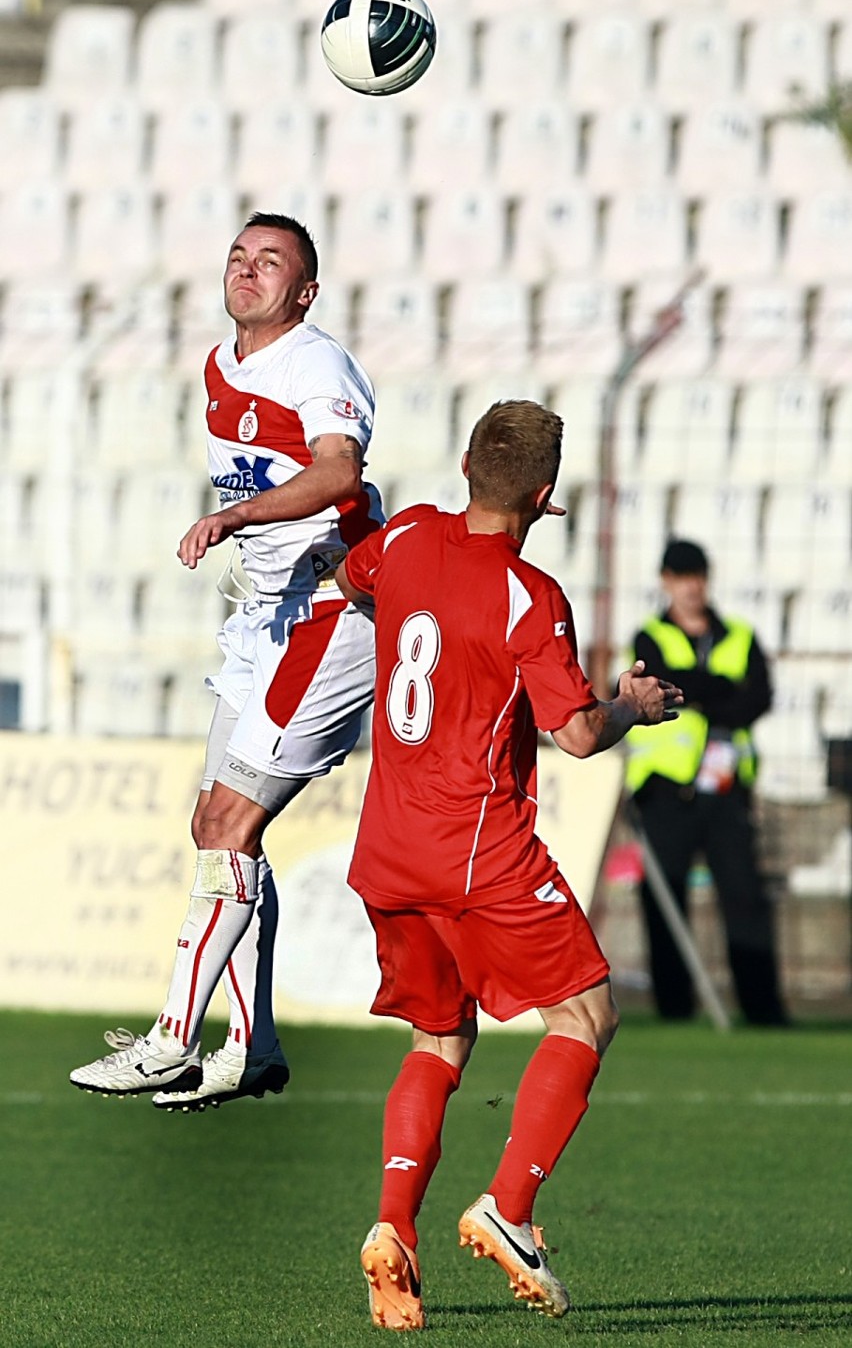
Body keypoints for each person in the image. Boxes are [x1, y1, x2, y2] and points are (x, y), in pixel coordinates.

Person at [333, 400, 683, 1329]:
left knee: (439, 1043)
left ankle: (393, 1228)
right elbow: (572, 735)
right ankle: (510, 1209)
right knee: (587, 1012)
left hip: (389, 849)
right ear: (545, 494)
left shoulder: (405, 533)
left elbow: (357, 578)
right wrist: (633, 706)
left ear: (462, 465)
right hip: (477, 852)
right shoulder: (533, 596)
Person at [70, 213, 383, 1110]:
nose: (248, 273)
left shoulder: (315, 363)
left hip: (329, 615)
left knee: (228, 828)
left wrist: (238, 522)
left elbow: (341, 475)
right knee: (217, 826)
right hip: (263, 622)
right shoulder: (218, 365)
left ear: (307, 290)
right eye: (239, 258)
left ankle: (173, 1039)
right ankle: (251, 1046)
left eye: (270, 262)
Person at [624, 538, 789, 1026]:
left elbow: (756, 698)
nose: (692, 587)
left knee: (745, 898)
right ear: (666, 582)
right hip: (666, 789)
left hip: (725, 787)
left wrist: (696, 689)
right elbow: (664, 680)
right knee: (664, 899)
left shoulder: (739, 634)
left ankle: (763, 1011)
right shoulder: (649, 635)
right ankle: (674, 1009)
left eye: (697, 577)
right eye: (682, 577)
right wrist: (717, 687)